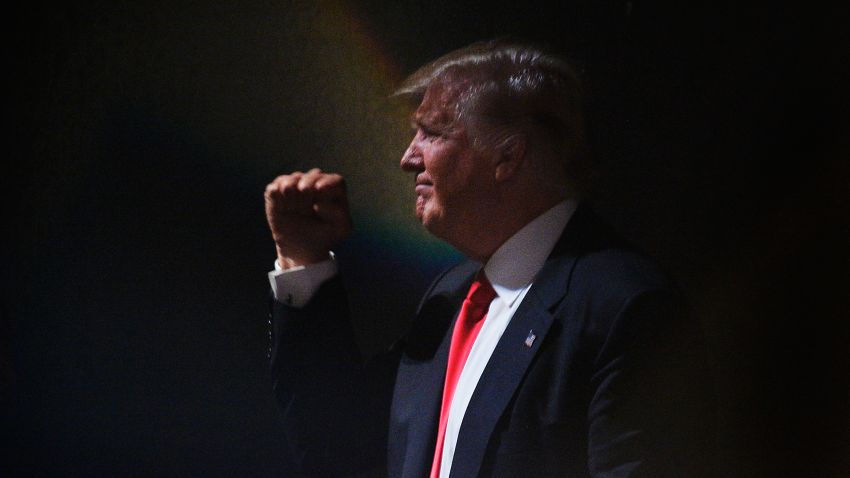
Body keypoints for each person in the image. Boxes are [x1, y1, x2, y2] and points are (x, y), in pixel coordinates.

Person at [264, 39, 715, 478]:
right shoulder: (451, 298)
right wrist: (302, 257)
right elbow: (337, 442)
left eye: (432, 132)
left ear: (508, 155)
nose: (408, 158)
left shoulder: (624, 306)